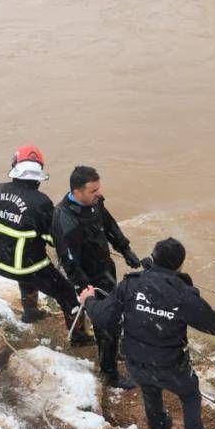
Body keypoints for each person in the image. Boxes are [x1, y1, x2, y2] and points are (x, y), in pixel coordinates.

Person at [80, 238, 215, 429]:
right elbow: (214, 324)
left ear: (153, 258)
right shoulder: (183, 294)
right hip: (170, 365)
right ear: (179, 265)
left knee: (150, 388)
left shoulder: (130, 284)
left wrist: (88, 300)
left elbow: (103, 317)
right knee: (190, 395)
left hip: (136, 361)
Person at [0, 144, 91, 345]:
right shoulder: (40, 201)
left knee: (27, 269)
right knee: (67, 293)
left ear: (15, 167)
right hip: (26, 266)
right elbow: (53, 239)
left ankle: (31, 312)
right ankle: (79, 338)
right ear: (38, 174)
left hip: (0, 262)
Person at [52, 165, 142, 389]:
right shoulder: (65, 220)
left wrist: (125, 249)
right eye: (94, 190)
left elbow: (109, 225)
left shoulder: (94, 203)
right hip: (89, 280)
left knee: (116, 315)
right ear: (77, 191)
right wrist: (85, 290)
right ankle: (109, 374)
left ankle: (111, 349)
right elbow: (69, 262)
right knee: (106, 324)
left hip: (105, 269)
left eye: (98, 188)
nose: (99, 193)